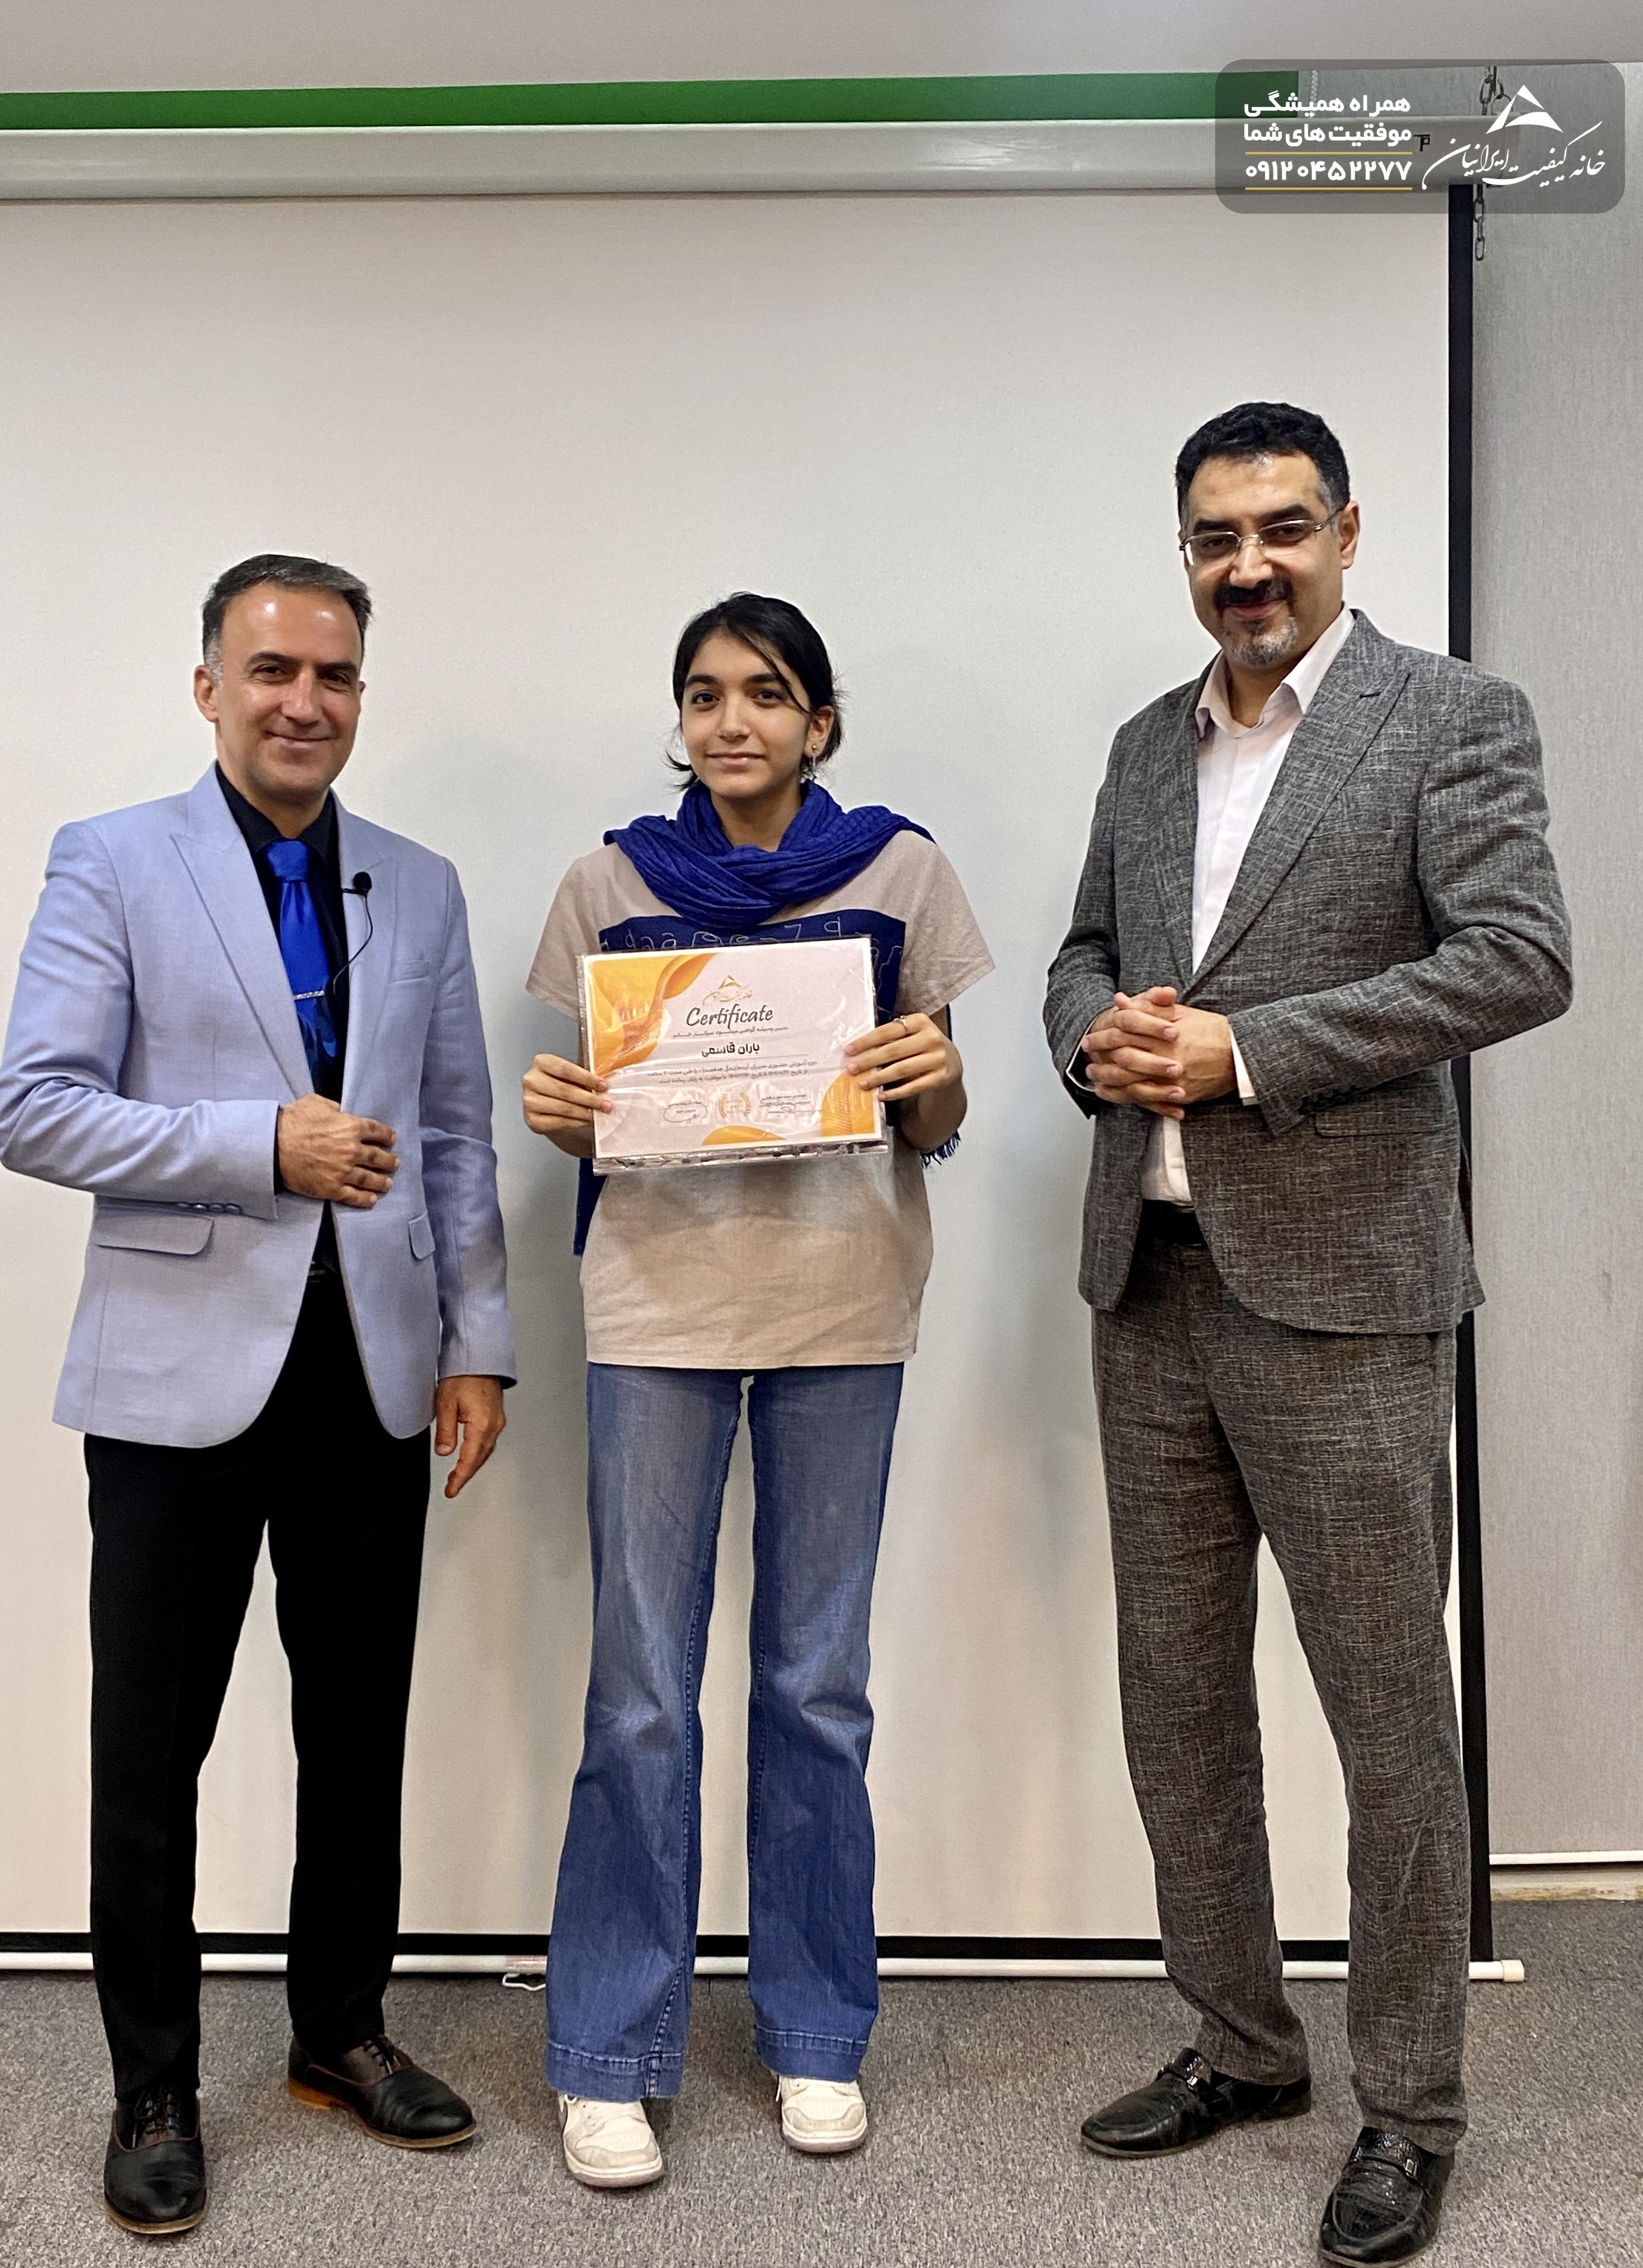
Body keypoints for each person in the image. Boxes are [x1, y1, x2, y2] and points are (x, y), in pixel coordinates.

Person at [1043, 404, 1570, 2266]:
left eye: (1280, 528)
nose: (1247, 564)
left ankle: (1409, 2108)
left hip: (1349, 1297)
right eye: (1215, 536)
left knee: (1387, 1721)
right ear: (1185, 553)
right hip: (1153, 1286)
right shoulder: (1145, 744)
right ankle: (1243, 2044)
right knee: (1179, 1704)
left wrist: (1245, 1052)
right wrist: (1094, 1035)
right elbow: (1081, 953)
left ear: (1348, 531)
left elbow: (1517, 957)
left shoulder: (1452, 718)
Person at [0, 554, 515, 2238]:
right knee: (153, 1749)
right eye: (274, 669)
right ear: (209, 686)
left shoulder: (419, 884)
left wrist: (477, 1341)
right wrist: (257, 1144)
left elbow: (453, 1133)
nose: (306, 701)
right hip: (175, 1385)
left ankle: (338, 2033)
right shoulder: (112, 859)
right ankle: (152, 2082)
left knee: (356, 1730)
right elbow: (36, 1109)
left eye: (336, 674)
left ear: (363, 693)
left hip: (373, 1372)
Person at [521, 592, 992, 2188]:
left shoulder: (901, 873)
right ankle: (607, 2051)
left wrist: (939, 1084)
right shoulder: (608, 882)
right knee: (640, 1692)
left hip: (844, 1305)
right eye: (707, 695)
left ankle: (814, 2030)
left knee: (815, 1684)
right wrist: (567, 1112)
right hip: (654, 1306)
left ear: (819, 723)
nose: (734, 722)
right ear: (681, 721)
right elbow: (592, 1108)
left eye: (768, 694)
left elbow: (936, 1122)